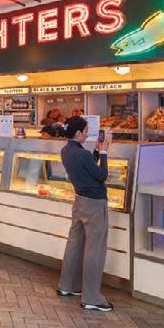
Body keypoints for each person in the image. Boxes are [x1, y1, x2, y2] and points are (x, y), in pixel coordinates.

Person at [56, 116, 113, 312]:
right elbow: (101, 175)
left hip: (79, 201)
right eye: (86, 131)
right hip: (95, 204)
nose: (88, 134)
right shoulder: (82, 154)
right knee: (94, 249)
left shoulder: (66, 150)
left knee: (74, 244)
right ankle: (91, 297)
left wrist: (96, 152)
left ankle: (67, 285)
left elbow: (87, 167)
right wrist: (104, 152)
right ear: (78, 133)